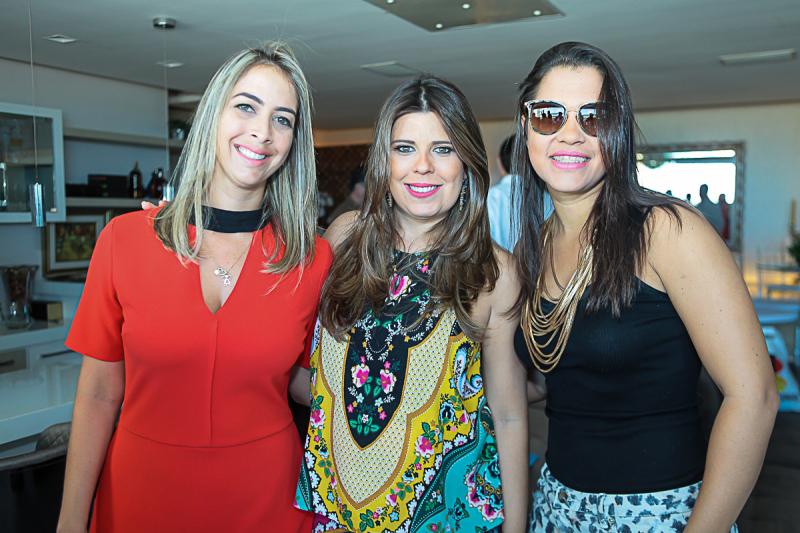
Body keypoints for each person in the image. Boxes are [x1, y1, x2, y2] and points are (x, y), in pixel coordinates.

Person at [57, 43, 331, 533]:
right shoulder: (124, 240)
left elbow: (303, 382)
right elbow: (98, 394)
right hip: (141, 497)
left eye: (282, 119)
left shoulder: (310, 258)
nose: (262, 132)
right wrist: (70, 520)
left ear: (294, 141)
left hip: (267, 500)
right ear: (213, 114)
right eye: (246, 106)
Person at [511, 42, 778, 532]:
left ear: (617, 131)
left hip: (657, 513)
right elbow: (561, 376)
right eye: (549, 115)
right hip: (555, 506)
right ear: (526, 126)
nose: (570, 134)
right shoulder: (537, 244)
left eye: (594, 117)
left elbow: (754, 397)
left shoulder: (667, 231)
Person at [294, 76, 529, 532]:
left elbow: (510, 415)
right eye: (404, 148)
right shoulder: (344, 237)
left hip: (445, 520)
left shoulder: (495, 272)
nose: (422, 166)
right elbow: (307, 367)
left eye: (443, 149)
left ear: (466, 162)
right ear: (383, 161)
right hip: (336, 514)